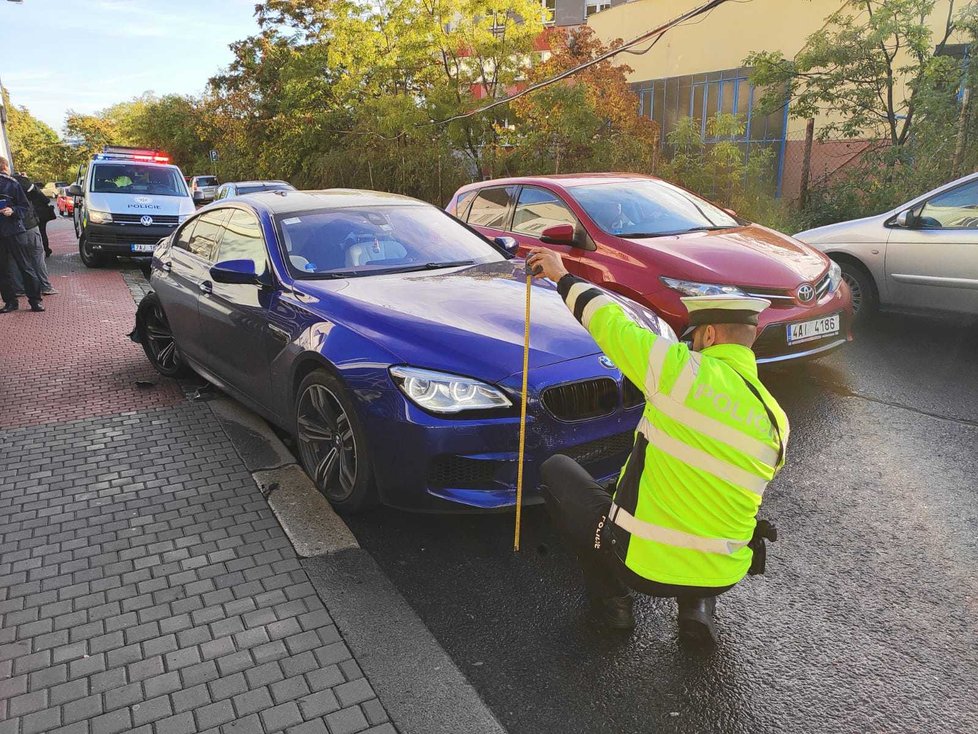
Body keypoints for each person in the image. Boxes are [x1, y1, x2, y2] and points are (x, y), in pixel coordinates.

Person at [527, 247, 788, 646]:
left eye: (695, 338)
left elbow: (610, 322)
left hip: (639, 565)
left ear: (709, 335)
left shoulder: (680, 370)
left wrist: (562, 275)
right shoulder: (775, 418)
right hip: (725, 572)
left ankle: (612, 605)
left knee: (557, 471)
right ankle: (697, 609)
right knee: (713, 492)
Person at [0, 156, 44, 313]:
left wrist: (13, 211)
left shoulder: (11, 184)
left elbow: (24, 206)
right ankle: (10, 301)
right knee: (2, 270)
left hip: (13, 229)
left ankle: (35, 300)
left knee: (25, 265)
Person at [11, 171, 57, 294]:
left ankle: (19, 288)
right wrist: (26, 180)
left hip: (10, 227)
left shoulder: (5, 184)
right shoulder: (19, 181)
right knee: (37, 255)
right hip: (28, 224)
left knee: (14, 258)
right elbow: (42, 197)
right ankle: (44, 286)